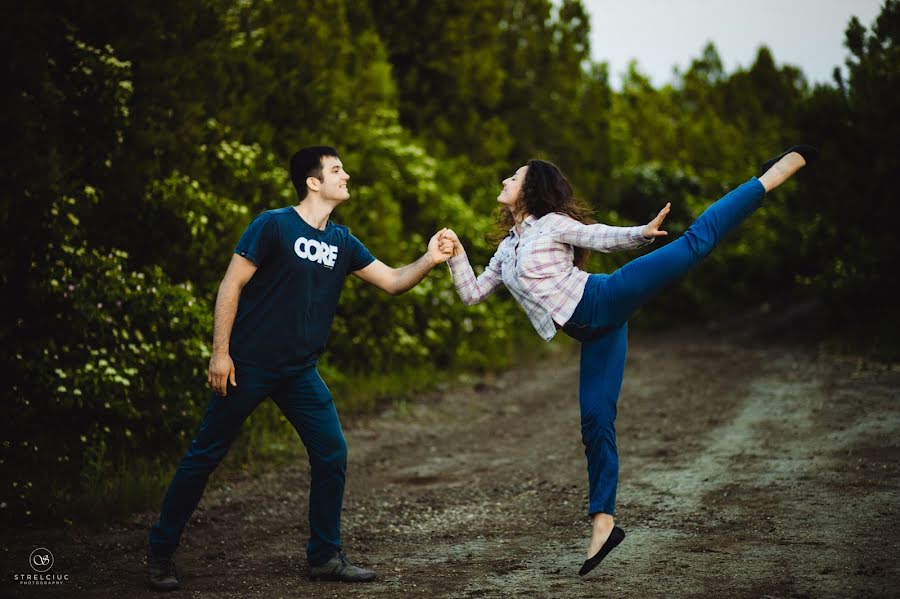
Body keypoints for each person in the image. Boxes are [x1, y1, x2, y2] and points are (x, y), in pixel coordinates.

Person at [439, 146, 817, 576]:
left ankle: (767, 179)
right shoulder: (507, 251)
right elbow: (471, 294)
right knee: (595, 421)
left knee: (694, 244)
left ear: (531, 189)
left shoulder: (552, 226)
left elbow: (599, 236)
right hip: (595, 331)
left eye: (514, 176)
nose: (505, 181)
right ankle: (604, 522)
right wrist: (456, 255)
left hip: (607, 295)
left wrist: (642, 232)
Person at [146, 146, 455, 590]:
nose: (346, 175)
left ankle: (325, 556)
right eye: (336, 170)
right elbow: (231, 284)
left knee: (332, 453)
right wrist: (220, 352)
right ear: (313, 182)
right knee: (205, 455)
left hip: (299, 372)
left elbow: (391, 282)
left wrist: (429, 259)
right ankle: (160, 552)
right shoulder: (273, 224)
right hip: (247, 365)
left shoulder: (343, 242)